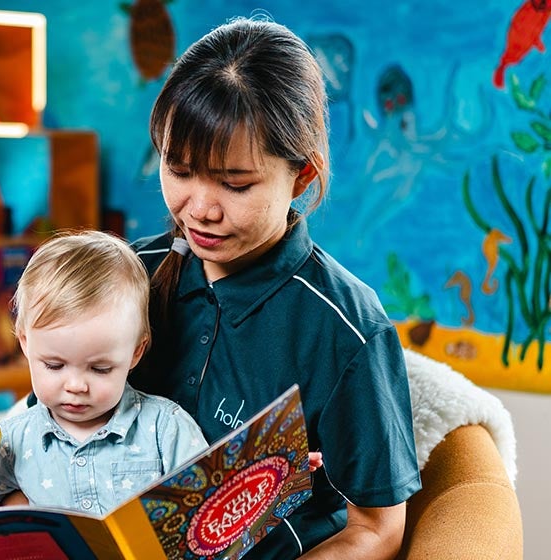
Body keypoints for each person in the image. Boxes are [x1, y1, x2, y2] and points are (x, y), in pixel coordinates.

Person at [128, 15, 421, 559]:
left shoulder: (347, 329)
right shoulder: (126, 274)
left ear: (302, 177)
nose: (200, 209)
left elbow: (378, 529)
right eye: (179, 169)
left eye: (235, 183)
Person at [0, 230, 208, 517]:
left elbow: (205, 513)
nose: (76, 386)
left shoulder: (165, 430)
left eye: (100, 369)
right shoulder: (13, 441)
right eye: (54, 366)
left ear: (135, 353)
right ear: (25, 343)